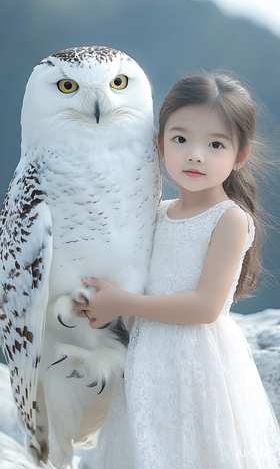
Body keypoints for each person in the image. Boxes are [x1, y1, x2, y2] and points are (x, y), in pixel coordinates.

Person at [75, 71, 280, 468]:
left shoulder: (230, 219)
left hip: (198, 363)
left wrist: (121, 302)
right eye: (180, 139)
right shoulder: (156, 213)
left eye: (215, 144)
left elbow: (206, 307)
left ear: (240, 156)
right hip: (145, 362)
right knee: (145, 449)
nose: (195, 154)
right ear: (159, 143)